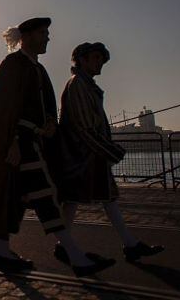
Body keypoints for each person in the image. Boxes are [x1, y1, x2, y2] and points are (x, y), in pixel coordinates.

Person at [0, 17, 115, 277]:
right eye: (43, 33)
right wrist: (12, 141)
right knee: (45, 194)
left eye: (47, 33)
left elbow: (47, 106)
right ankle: (75, 256)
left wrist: (50, 124)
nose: (47, 37)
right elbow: (4, 107)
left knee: (15, 198)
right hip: (21, 143)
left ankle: (2, 252)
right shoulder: (13, 64)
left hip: (37, 142)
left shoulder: (39, 69)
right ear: (26, 36)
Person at [52, 42, 164, 263]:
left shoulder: (85, 85)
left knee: (87, 199)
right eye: (95, 58)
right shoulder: (78, 85)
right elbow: (84, 127)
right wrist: (109, 150)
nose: (100, 62)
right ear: (82, 59)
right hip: (82, 155)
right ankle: (127, 245)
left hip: (87, 154)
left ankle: (125, 244)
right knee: (89, 198)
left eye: (101, 59)